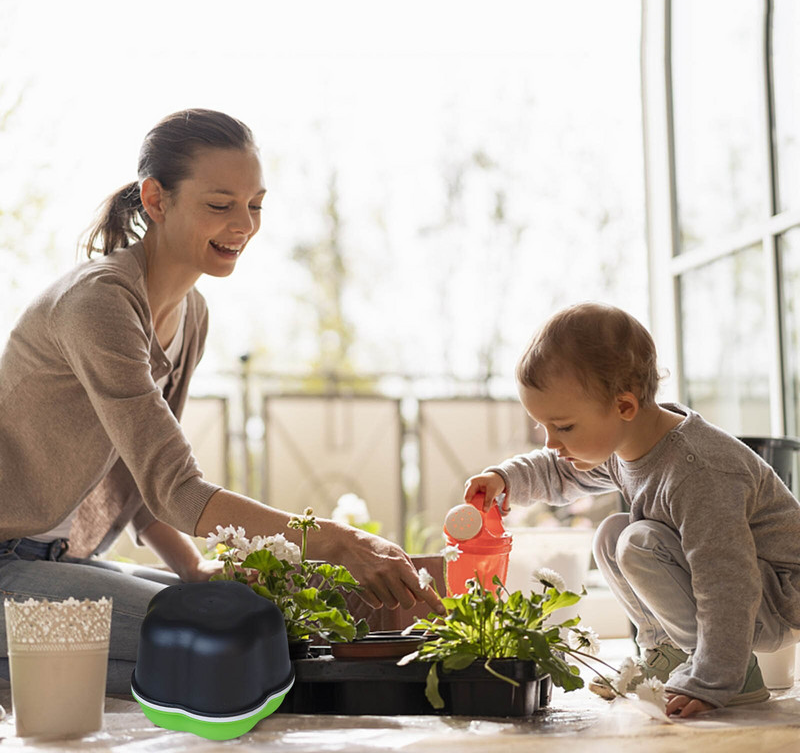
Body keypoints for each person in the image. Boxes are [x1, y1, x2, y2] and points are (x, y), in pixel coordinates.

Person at [0, 108, 442, 693]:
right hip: (10, 566)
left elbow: (142, 482)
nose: (244, 224)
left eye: (255, 204)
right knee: (234, 642)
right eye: (220, 204)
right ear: (155, 200)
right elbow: (175, 487)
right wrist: (338, 540)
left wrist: (193, 568)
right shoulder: (99, 304)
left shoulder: (191, 315)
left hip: (56, 564)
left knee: (268, 626)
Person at [464, 302, 800, 718]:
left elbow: (728, 579)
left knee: (638, 541)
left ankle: (735, 672)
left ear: (624, 406)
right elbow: (556, 471)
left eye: (564, 427)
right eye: (544, 427)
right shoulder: (626, 441)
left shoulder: (698, 472)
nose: (552, 441)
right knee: (612, 534)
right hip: (749, 591)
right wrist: (505, 479)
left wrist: (716, 678)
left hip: (778, 598)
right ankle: (667, 653)